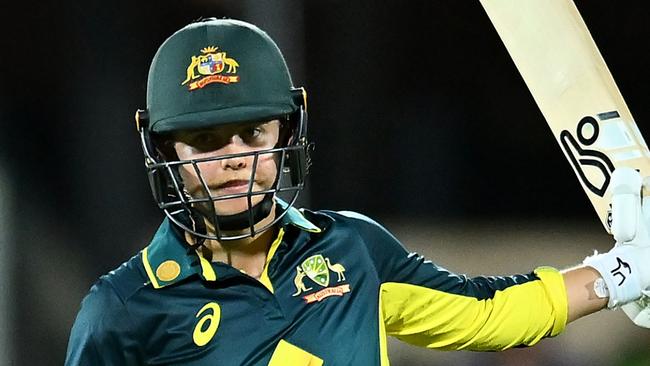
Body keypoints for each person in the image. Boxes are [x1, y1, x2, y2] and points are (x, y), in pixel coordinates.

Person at [65, 18, 650, 365]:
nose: (235, 160)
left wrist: (621, 274)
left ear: (285, 132)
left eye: (253, 132)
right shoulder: (120, 313)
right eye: (206, 141)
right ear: (165, 150)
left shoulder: (351, 249)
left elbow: (485, 310)